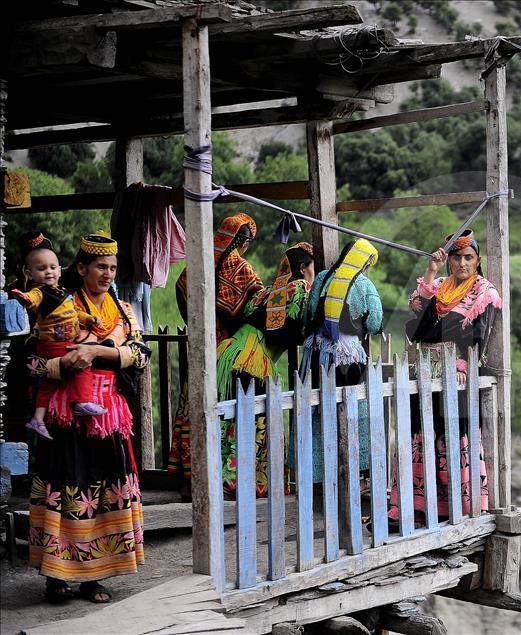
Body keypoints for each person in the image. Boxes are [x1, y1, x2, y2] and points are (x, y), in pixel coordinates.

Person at [26, 234, 150, 604]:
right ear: (80, 268)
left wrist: (100, 350)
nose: (107, 274)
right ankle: (56, 576)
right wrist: (61, 364)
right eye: (100, 267)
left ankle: (94, 578)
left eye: (112, 268)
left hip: (108, 418)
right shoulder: (55, 307)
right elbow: (30, 364)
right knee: (66, 489)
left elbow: (141, 355)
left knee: (103, 493)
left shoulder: (124, 312)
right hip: (66, 420)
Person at [389, 229, 497, 523]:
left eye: (469, 257)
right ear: (449, 260)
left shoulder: (484, 292)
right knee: (421, 430)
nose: (462, 263)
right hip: (425, 368)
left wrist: (464, 365)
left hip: (456, 371)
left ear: (477, 260)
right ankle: (419, 507)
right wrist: (430, 270)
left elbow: (480, 335)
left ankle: (457, 507)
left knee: (453, 431)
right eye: (457, 258)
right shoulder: (438, 285)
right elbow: (416, 308)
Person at [168, 213, 263, 497]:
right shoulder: (243, 270)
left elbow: (182, 296)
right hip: (231, 351)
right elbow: (258, 306)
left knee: (195, 404)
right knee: (229, 409)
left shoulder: (193, 267)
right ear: (243, 242)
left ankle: (191, 475)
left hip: (200, 346)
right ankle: (228, 479)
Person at [215, 242, 315, 497]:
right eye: (313, 267)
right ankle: (238, 482)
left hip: (229, 351)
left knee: (230, 418)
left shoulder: (268, 291)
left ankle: (221, 478)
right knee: (253, 421)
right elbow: (300, 325)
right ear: (303, 268)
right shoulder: (299, 287)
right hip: (253, 359)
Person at [300, 239, 383, 486]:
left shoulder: (323, 277)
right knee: (352, 413)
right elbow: (375, 323)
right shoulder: (364, 284)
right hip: (349, 356)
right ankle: (353, 474)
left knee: (318, 411)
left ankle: (320, 475)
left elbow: (310, 311)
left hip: (318, 353)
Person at [11, 232, 105, 440]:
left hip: (54, 345)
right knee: (82, 366)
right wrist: (24, 298)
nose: (48, 272)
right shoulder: (41, 292)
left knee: (47, 384)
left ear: (60, 270)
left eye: (52, 267)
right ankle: (81, 401)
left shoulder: (61, 292)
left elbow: (74, 313)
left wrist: (88, 319)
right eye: (41, 269)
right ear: (29, 272)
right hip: (55, 344)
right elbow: (32, 299)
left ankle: (37, 418)